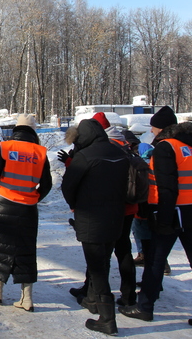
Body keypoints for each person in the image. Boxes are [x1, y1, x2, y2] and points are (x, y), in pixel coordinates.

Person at [120, 106, 192, 333]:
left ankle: (144, 307)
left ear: (163, 128)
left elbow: (167, 187)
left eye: (154, 127)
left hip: (172, 212)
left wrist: (162, 217)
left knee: (155, 260)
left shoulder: (166, 147)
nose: (153, 132)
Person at [61, 118, 130, 335]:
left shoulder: (84, 156)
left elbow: (68, 186)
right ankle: (92, 298)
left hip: (91, 217)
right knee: (103, 261)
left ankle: (107, 318)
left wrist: (75, 204)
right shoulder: (119, 153)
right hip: (116, 216)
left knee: (97, 266)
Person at [0, 114, 52, 311]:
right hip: (27, 208)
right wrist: (33, 197)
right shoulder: (40, 152)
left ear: (16, 129)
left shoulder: (6, 147)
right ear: (33, 131)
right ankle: (27, 298)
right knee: (26, 251)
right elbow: (46, 184)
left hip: (3, 202)